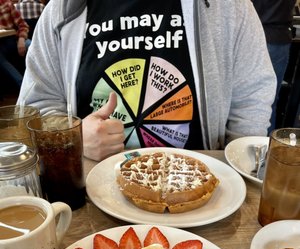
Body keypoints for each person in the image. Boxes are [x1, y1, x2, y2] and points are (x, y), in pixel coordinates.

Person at [18, 0, 277, 162]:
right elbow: (36, 105)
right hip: (95, 195)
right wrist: (73, 138)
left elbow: (251, 97)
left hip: (203, 198)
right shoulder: (63, 9)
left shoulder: (229, 7)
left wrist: (236, 171)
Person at [251, 0, 296, 133]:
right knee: (268, 102)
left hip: (255, 33)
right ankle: (266, 148)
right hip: (279, 37)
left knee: (252, 102)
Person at [0, 0, 30, 89]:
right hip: (1, 46)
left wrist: (21, 39)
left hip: (15, 39)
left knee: (32, 46)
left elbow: (23, 25)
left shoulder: (6, 3)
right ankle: (24, 87)